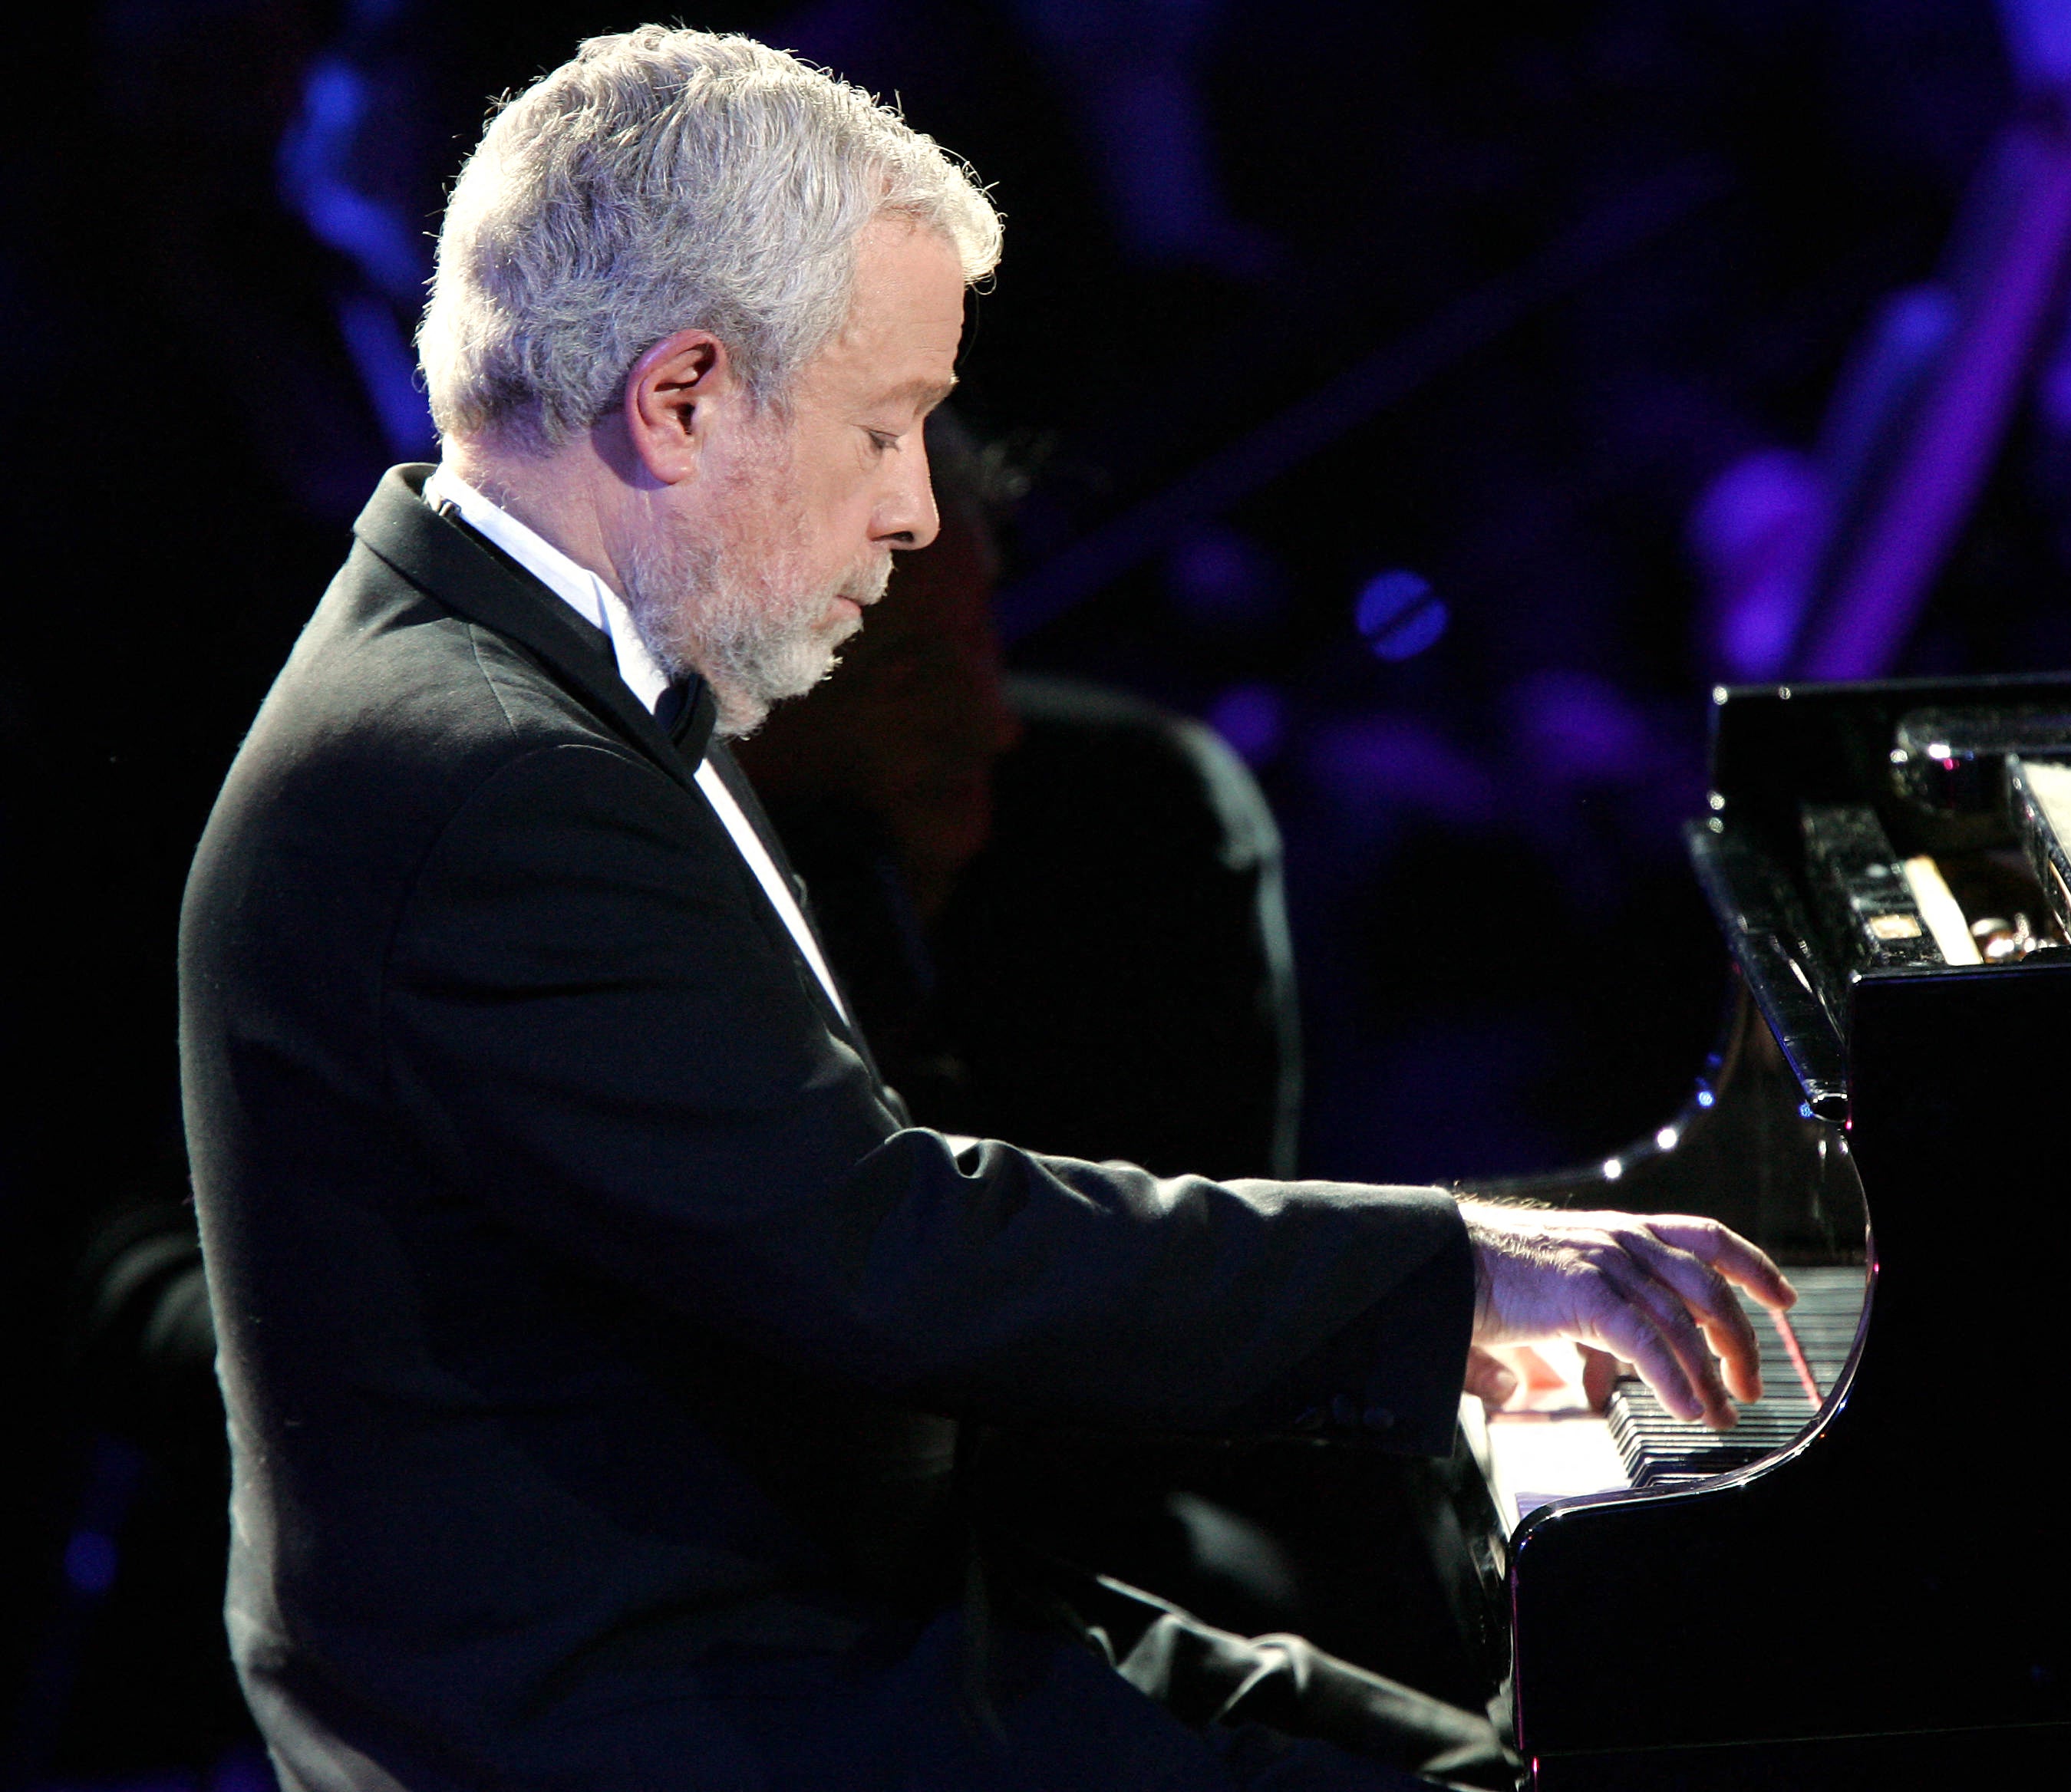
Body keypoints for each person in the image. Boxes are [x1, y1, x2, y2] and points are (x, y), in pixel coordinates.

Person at [179, 28, 1795, 1791]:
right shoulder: (479, 775)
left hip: (831, 1626)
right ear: (682, 396)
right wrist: (1452, 1280)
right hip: (658, 1721)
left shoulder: (529, 684)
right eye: (884, 430)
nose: (913, 513)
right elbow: (890, 1254)